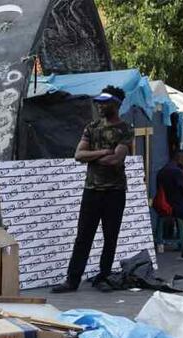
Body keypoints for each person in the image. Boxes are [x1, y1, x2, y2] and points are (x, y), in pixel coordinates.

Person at [52, 86, 134, 293]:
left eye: (104, 102)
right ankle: (72, 280)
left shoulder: (125, 129)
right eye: (98, 102)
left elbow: (116, 159)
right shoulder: (92, 127)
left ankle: (104, 276)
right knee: (83, 236)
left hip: (114, 191)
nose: (100, 105)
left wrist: (96, 155)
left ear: (116, 104)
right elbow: (78, 155)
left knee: (110, 236)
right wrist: (104, 151)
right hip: (92, 189)